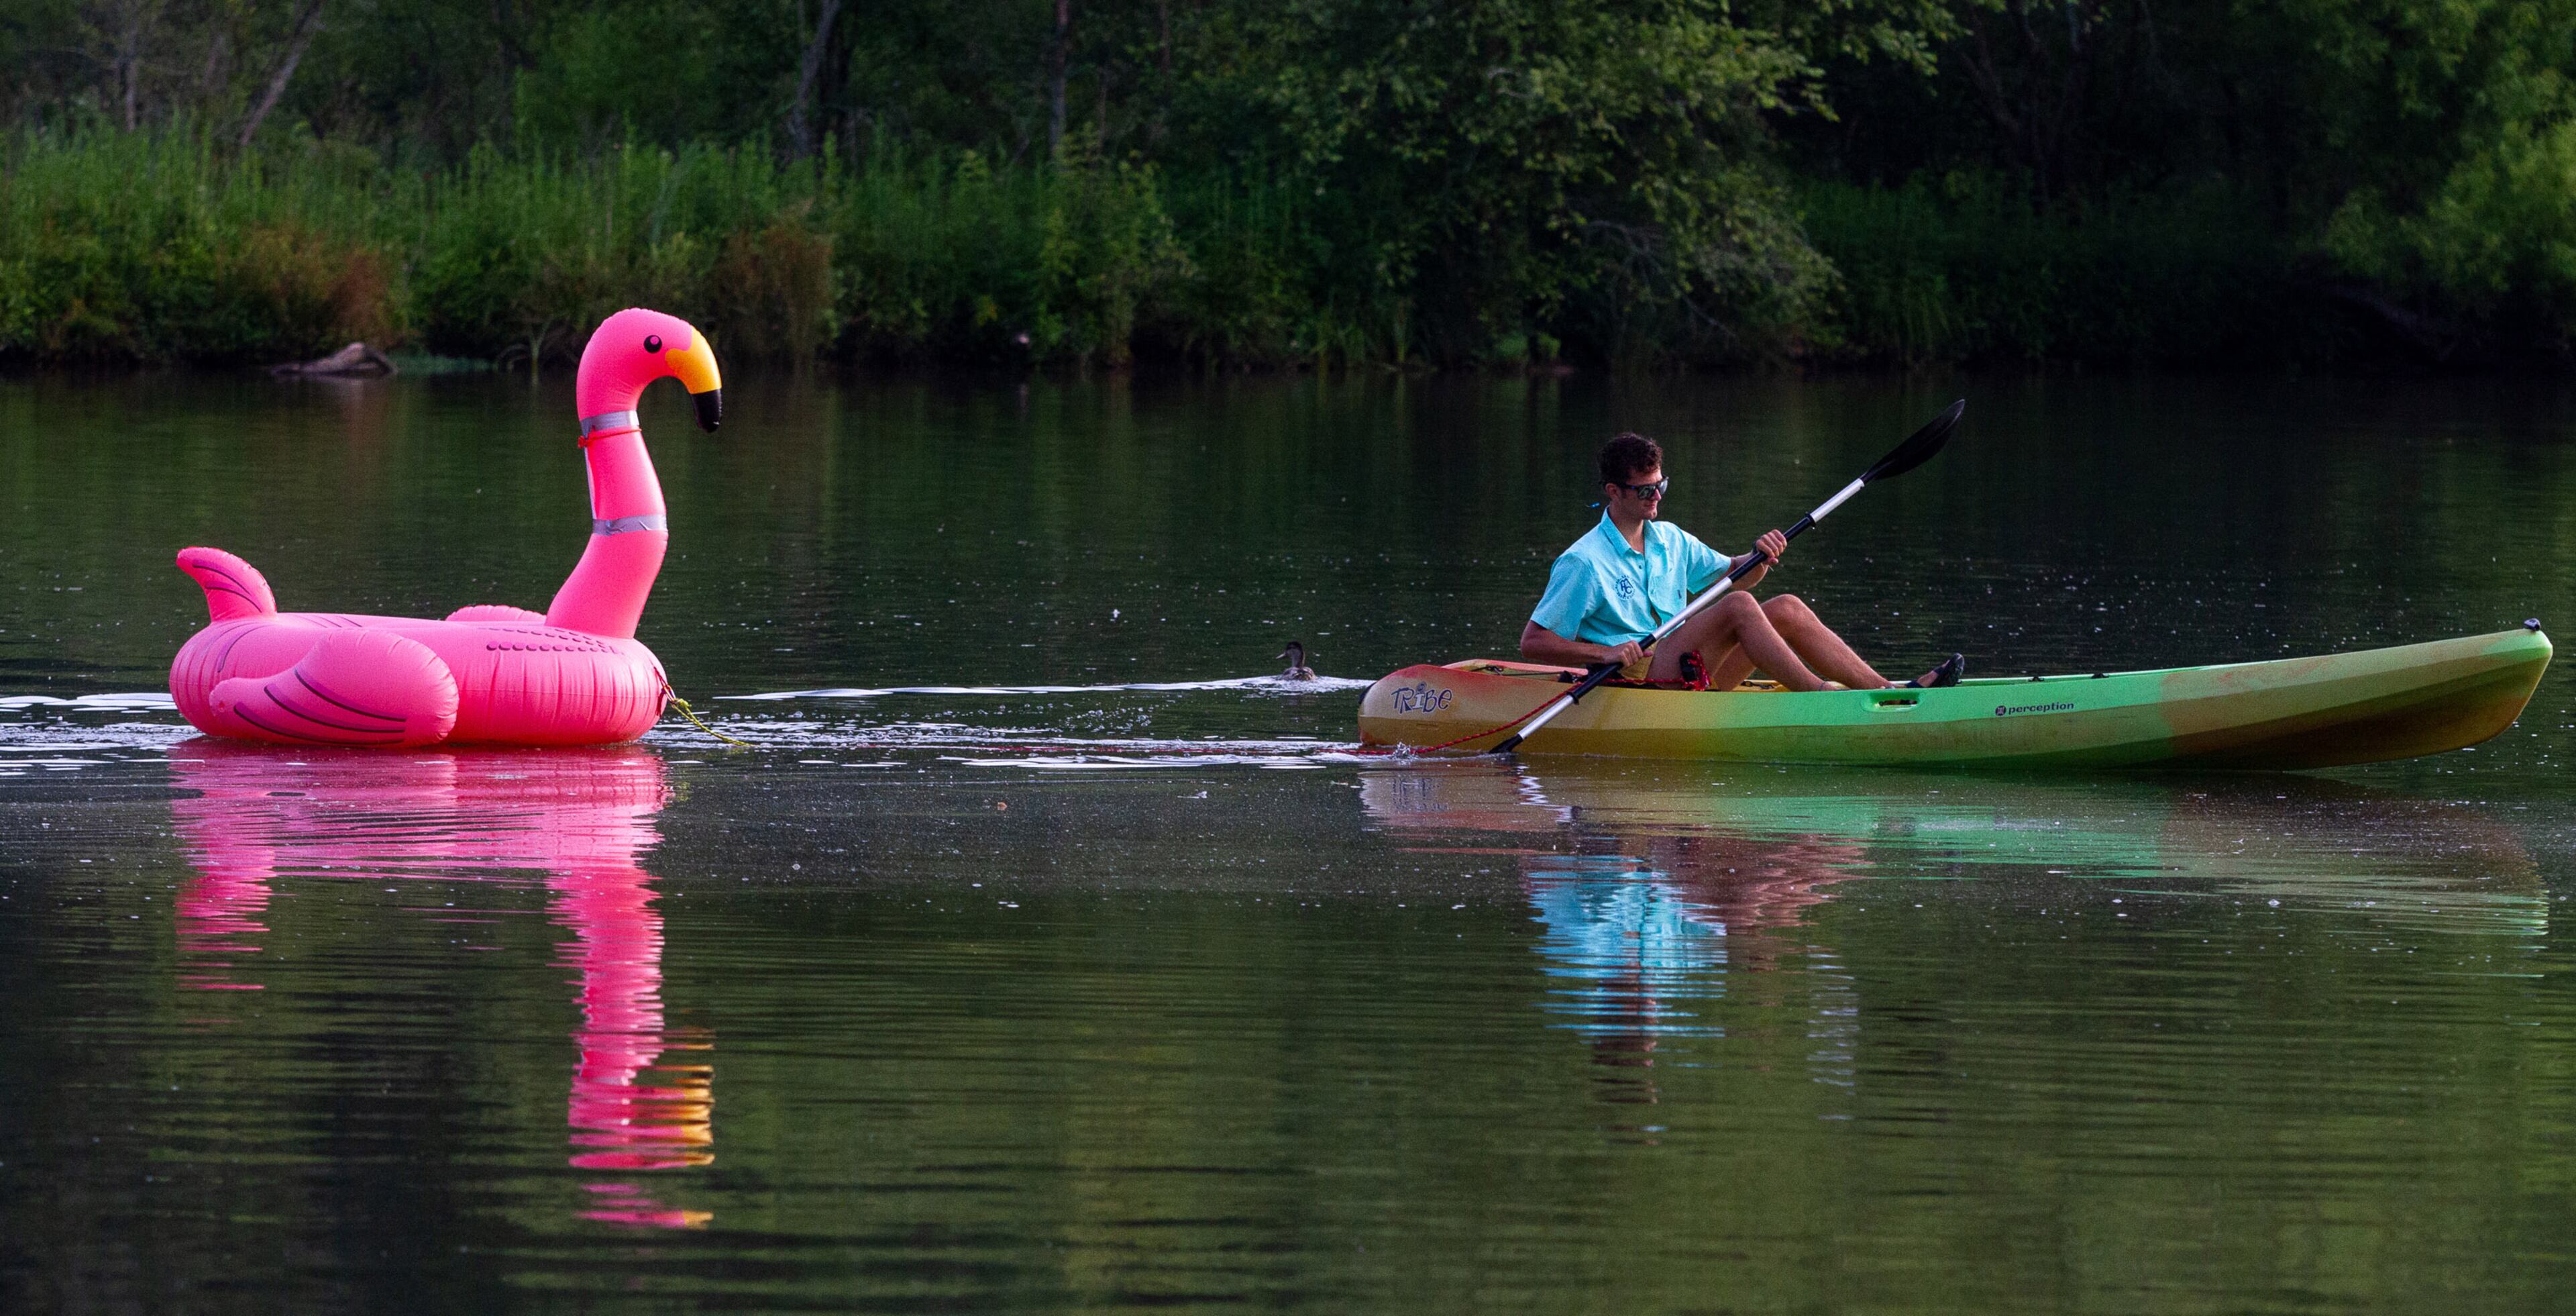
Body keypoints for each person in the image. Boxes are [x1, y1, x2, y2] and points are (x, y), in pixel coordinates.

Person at [1521, 432, 1962, 693]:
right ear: (1614, 492)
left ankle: (1887, 692)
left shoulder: (1670, 539)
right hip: (1639, 681)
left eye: (1661, 486)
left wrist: (1760, 555)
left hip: (1689, 671)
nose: (1656, 498)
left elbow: (1738, 577)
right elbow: (1533, 643)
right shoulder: (1584, 562)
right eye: (1644, 491)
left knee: (1785, 606)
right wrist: (1605, 651)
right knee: (1737, 610)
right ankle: (1824, 698)